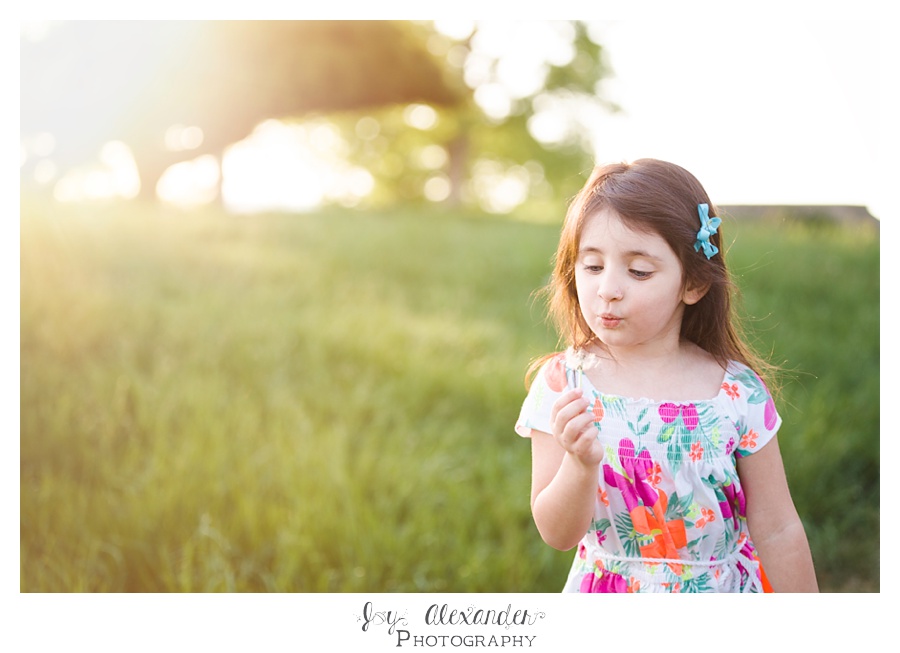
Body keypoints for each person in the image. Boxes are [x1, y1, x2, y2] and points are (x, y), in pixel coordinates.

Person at [515, 159, 818, 593]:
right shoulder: (565, 384)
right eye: (593, 266)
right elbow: (557, 535)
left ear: (692, 283)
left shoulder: (736, 392)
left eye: (638, 271)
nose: (608, 288)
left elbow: (778, 528)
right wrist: (580, 465)